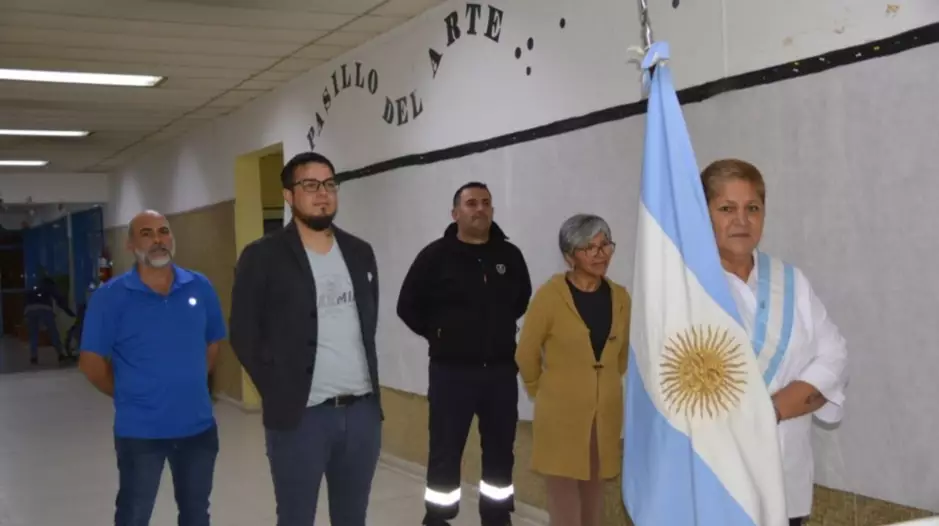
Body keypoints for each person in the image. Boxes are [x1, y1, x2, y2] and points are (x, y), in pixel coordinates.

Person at [230, 151, 383, 526]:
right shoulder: (263, 256)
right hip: (301, 417)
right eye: (310, 185)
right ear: (288, 195)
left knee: (353, 517)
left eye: (329, 184)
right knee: (296, 517)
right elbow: (244, 333)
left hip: (361, 414)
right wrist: (278, 389)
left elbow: (368, 322)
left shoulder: (360, 252)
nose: (323, 193)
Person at [701, 158, 848, 526]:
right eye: (726, 208)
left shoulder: (790, 280)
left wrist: (773, 409)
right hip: (717, 482)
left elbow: (835, 355)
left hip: (787, 478)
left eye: (752, 208)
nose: (741, 220)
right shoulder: (688, 287)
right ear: (702, 214)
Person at [78, 210, 226, 526]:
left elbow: (213, 342)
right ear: (131, 244)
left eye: (163, 231)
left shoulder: (200, 287)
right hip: (140, 432)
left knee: (196, 514)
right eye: (146, 234)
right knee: (134, 515)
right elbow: (91, 363)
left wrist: (191, 382)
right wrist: (127, 392)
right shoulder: (110, 298)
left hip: (197, 428)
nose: (158, 239)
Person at [397, 181, 532, 526]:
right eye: (471, 203)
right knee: (445, 450)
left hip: (500, 373)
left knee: (500, 451)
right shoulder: (435, 256)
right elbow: (407, 305)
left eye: (486, 202)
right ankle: (438, 518)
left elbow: (521, 300)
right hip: (451, 373)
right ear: (455, 213)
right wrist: (441, 335)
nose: (480, 209)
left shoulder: (509, 256)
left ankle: (497, 518)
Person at [515, 214, 630, 526]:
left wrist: (604, 384)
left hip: (603, 414)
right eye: (590, 247)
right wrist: (540, 390)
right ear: (570, 256)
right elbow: (526, 353)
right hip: (560, 413)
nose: (601, 254)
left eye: (605, 245)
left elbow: (622, 354)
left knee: (594, 493)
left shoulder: (620, 297)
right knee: (564, 497)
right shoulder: (550, 296)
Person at [24, 272, 75, 365]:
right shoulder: (49, 284)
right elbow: (59, 298)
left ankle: (33, 357)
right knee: (53, 331)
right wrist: (69, 312)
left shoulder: (33, 284)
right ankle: (60, 354)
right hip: (45, 308)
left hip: (30, 309)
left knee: (33, 334)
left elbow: (27, 298)